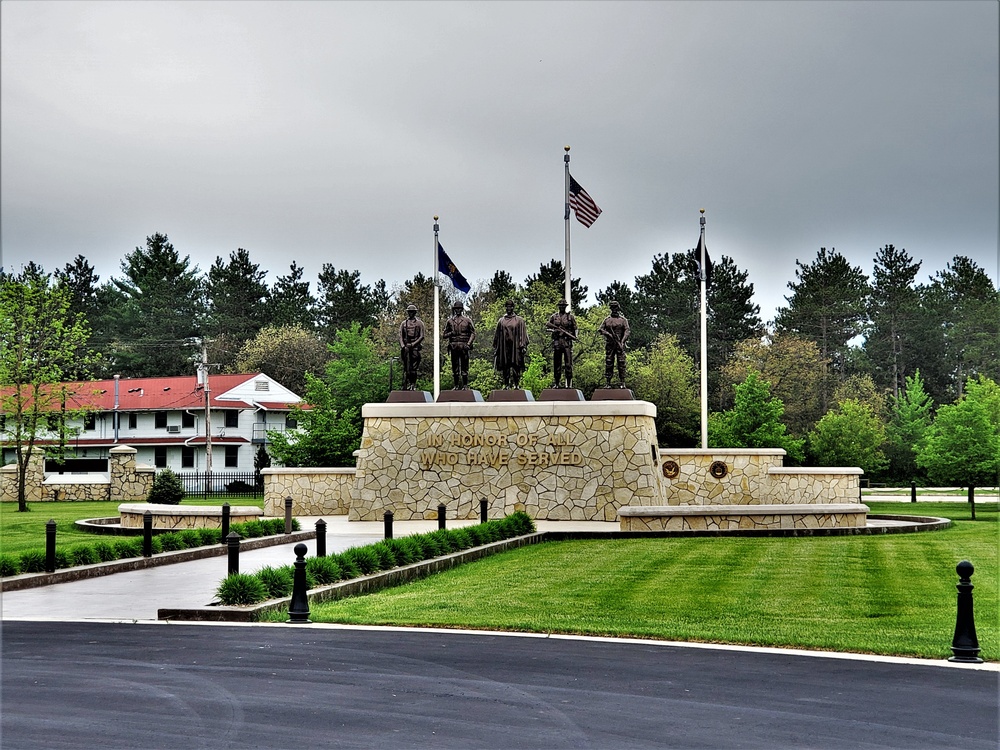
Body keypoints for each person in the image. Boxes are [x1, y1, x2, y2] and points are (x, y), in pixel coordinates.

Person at [493, 300, 529, 389]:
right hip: (504, 347)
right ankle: (506, 384)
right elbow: (497, 335)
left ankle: (516, 384)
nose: (509, 308)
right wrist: (497, 348)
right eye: (507, 306)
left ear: (513, 307)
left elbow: (523, 333)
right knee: (505, 366)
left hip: (515, 347)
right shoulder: (501, 321)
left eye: (510, 306)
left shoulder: (519, 320)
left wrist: (523, 345)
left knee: (516, 366)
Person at [443, 300, 475, 389]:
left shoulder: (467, 320)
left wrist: (468, 344)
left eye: (459, 308)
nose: (457, 310)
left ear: (462, 309)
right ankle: (456, 385)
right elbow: (444, 335)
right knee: (455, 368)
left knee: (464, 368)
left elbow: (473, 333)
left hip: (464, 346)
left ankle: (465, 385)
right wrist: (451, 333)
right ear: (454, 309)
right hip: (454, 347)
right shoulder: (450, 321)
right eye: (456, 309)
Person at [545, 299, 578, 388]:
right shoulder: (554, 317)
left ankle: (568, 384)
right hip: (557, 342)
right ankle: (557, 383)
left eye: (563, 306)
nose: (562, 307)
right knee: (557, 364)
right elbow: (547, 327)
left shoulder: (570, 317)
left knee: (568, 364)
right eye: (560, 306)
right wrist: (555, 330)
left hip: (567, 342)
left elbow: (575, 328)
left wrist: (574, 336)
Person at [598, 300, 630, 388]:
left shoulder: (623, 320)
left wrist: (622, 341)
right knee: (609, 362)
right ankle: (608, 383)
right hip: (610, 344)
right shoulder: (607, 320)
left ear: (618, 308)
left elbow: (627, 331)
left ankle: (622, 382)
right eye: (613, 308)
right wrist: (607, 334)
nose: (614, 309)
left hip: (619, 343)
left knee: (621, 363)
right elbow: (600, 329)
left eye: (616, 307)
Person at [398, 304, 425, 390]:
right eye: (409, 312)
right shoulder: (403, 323)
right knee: (406, 368)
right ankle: (406, 383)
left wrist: (413, 344)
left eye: (412, 312)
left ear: (415, 312)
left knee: (414, 368)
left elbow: (422, 336)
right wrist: (403, 346)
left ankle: (413, 384)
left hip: (415, 348)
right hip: (405, 348)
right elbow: (400, 336)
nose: (411, 313)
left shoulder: (419, 323)